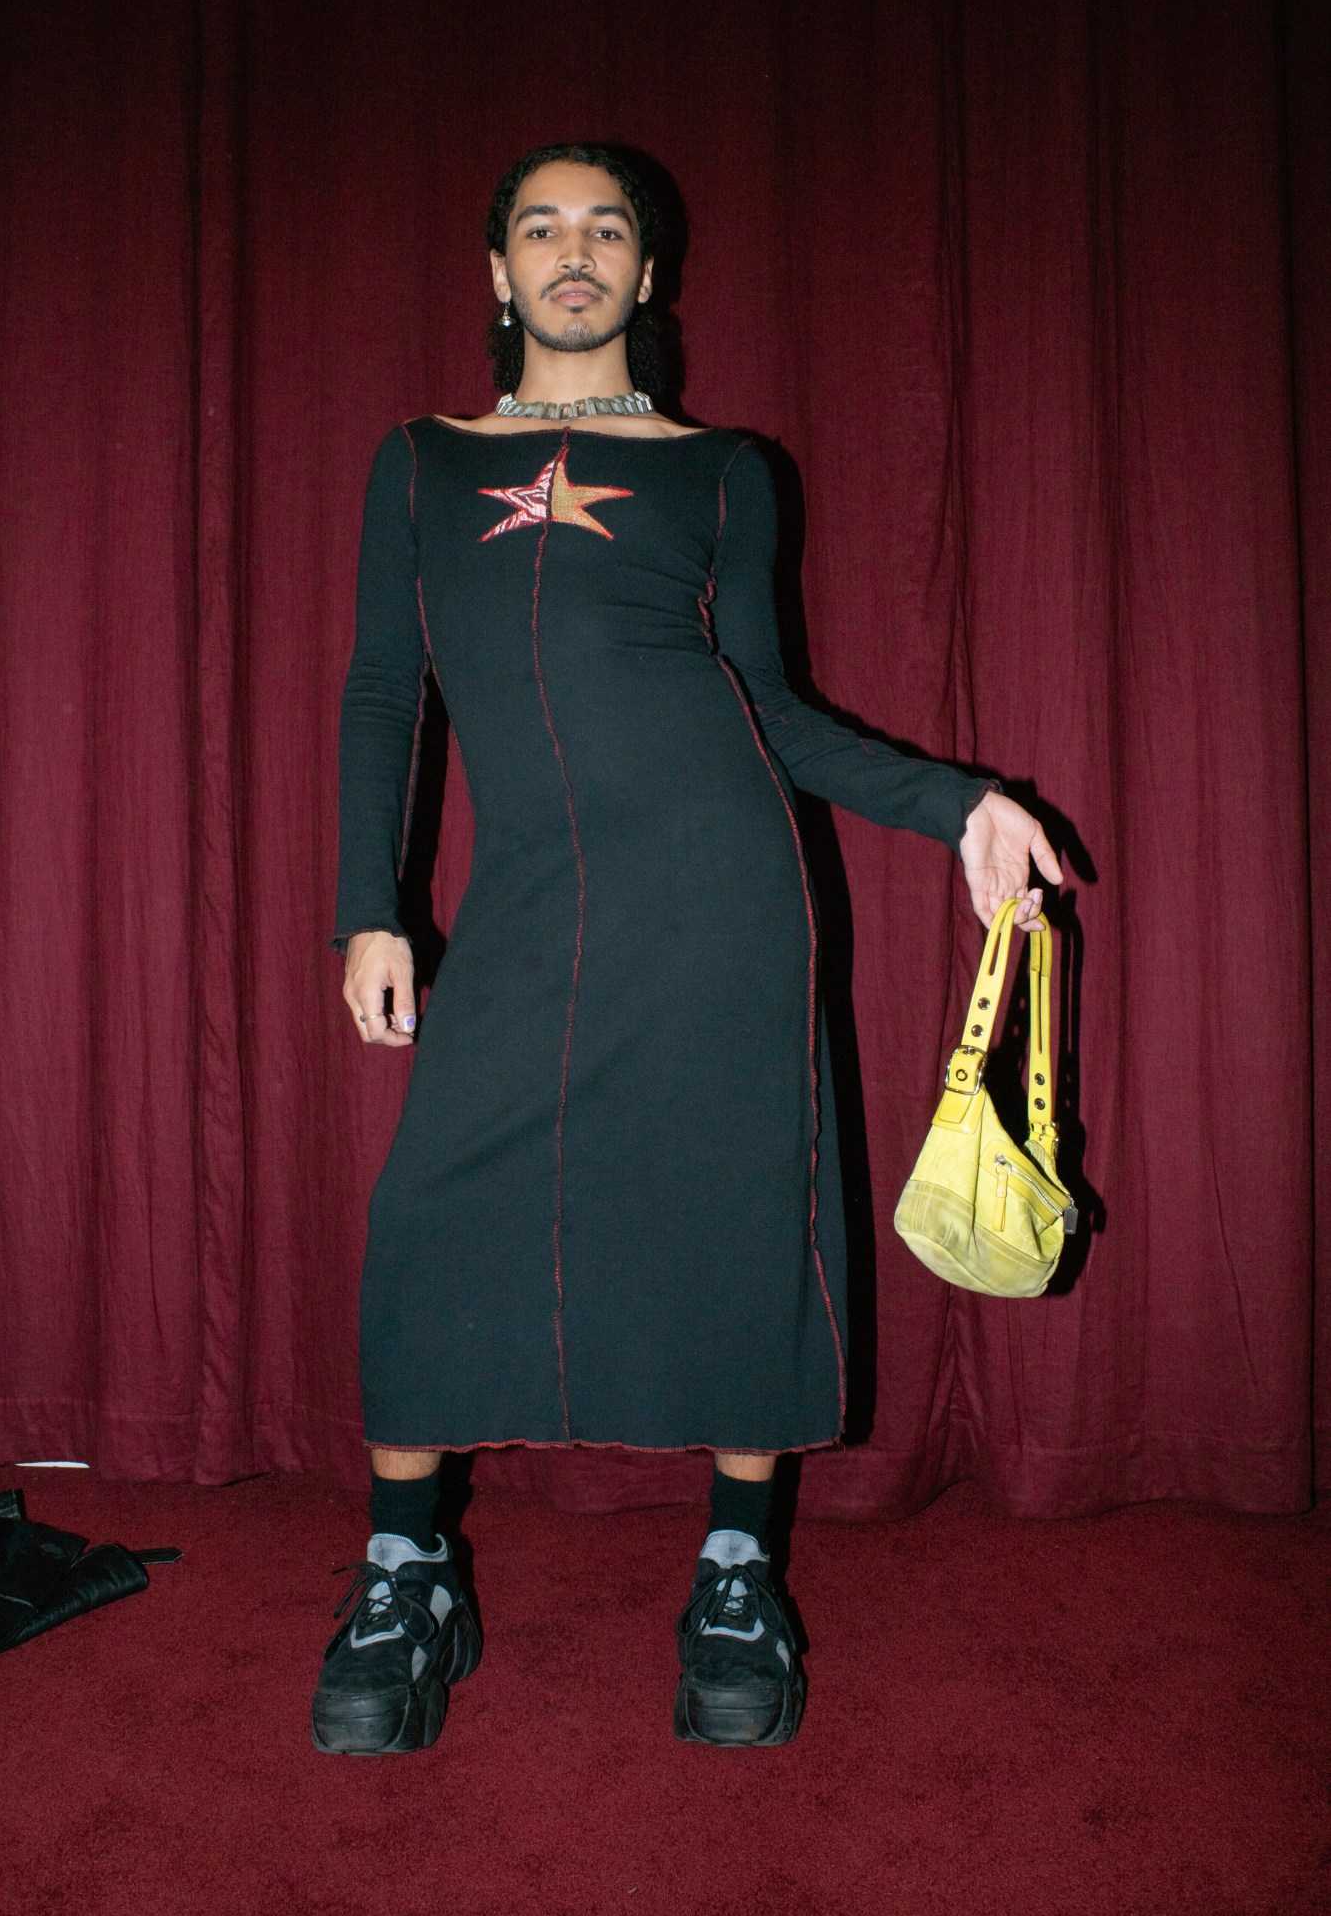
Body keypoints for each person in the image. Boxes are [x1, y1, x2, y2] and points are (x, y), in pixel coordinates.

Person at [314, 142, 1061, 1756]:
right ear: (496, 275)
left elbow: (772, 710)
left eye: (607, 229)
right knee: (431, 1214)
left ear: (647, 279)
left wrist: (961, 806)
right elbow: (388, 688)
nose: (572, 252)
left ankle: (733, 1570)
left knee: (735, 1209)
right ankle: (402, 1571)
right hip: (521, 903)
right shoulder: (420, 465)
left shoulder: (725, 469)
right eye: (539, 226)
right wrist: (366, 904)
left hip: (723, 898)